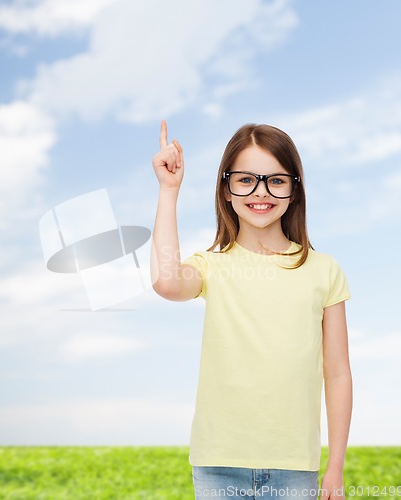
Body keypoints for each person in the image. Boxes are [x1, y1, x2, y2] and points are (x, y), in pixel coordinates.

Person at [150, 120, 352, 500]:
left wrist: (335, 467)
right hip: (218, 463)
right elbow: (166, 282)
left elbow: (338, 373)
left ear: (294, 190)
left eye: (276, 180)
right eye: (245, 180)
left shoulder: (324, 270)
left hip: (294, 468)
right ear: (226, 189)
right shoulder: (212, 265)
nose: (261, 192)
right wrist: (168, 191)